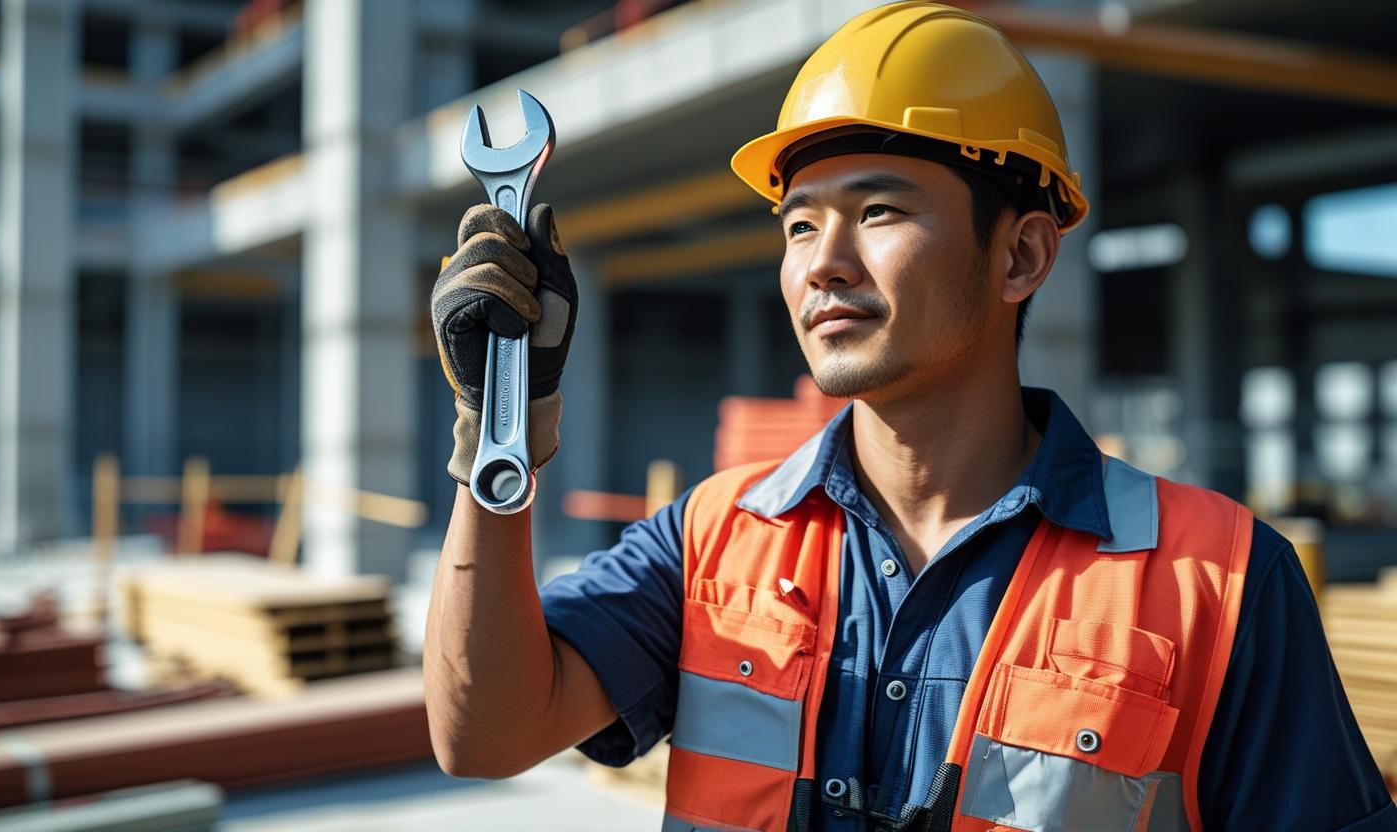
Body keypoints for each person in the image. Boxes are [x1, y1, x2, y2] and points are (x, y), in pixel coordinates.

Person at [424, 3, 1397, 830]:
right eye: (798, 223)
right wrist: (494, 432)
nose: (821, 262)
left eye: (878, 211)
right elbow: (483, 731)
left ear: (1020, 257)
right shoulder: (711, 542)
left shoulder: (1218, 582)